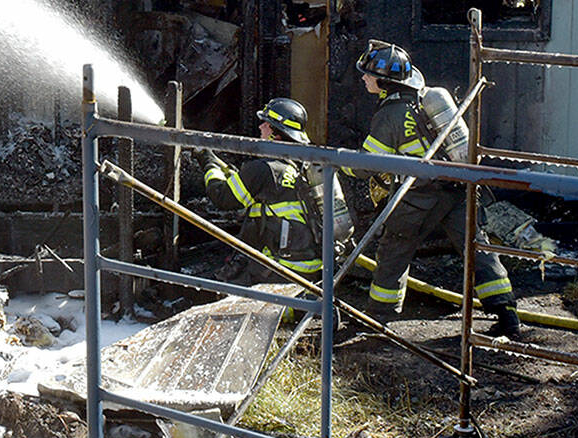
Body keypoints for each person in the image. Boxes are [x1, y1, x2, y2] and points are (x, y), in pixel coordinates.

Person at [346, 40, 521, 337]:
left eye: (367, 74)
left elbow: (367, 166)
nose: (364, 78)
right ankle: (507, 315)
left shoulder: (390, 115)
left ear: (384, 81)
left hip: (417, 196)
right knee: (477, 249)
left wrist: (341, 163)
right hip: (457, 189)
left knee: (394, 250)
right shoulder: (427, 100)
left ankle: (378, 317)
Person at [198, 98, 323, 282]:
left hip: (281, 269)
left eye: (266, 123)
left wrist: (208, 163)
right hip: (311, 267)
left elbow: (223, 197)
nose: (261, 127)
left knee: (221, 287)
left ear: (276, 133)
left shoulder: (264, 168)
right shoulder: (301, 163)